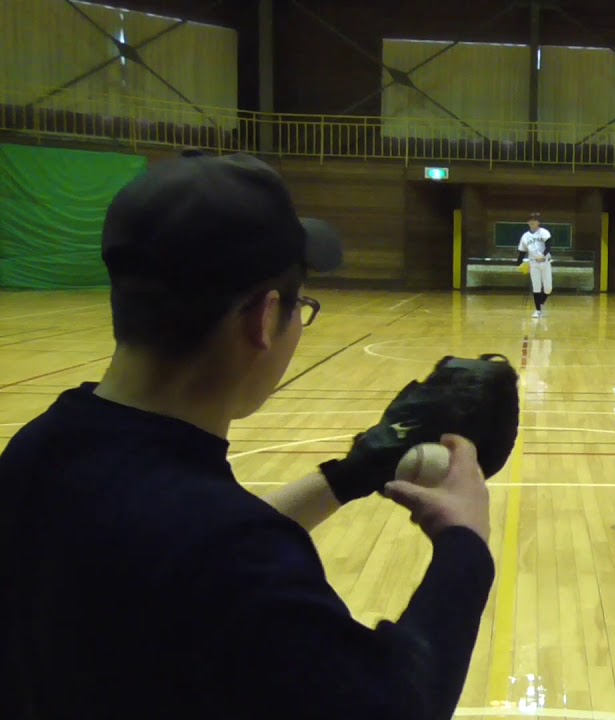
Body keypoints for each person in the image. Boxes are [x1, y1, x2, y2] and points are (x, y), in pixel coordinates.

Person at [0, 152, 496, 719]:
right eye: (301, 306)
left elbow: (172, 552)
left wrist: (350, 474)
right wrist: (465, 545)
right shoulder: (233, 558)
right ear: (263, 318)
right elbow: (397, 704)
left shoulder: (37, 450)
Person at [515, 212, 553, 318]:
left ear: (538, 222)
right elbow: (522, 251)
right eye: (530, 220)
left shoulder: (544, 232)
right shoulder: (525, 236)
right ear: (527, 222)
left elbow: (549, 246)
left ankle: (540, 303)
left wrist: (543, 255)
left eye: (534, 220)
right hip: (533, 263)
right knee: (536, 287)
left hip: (545, 262)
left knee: (548, 288)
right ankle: (538, 310)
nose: (532, 222)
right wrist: (518, 263)